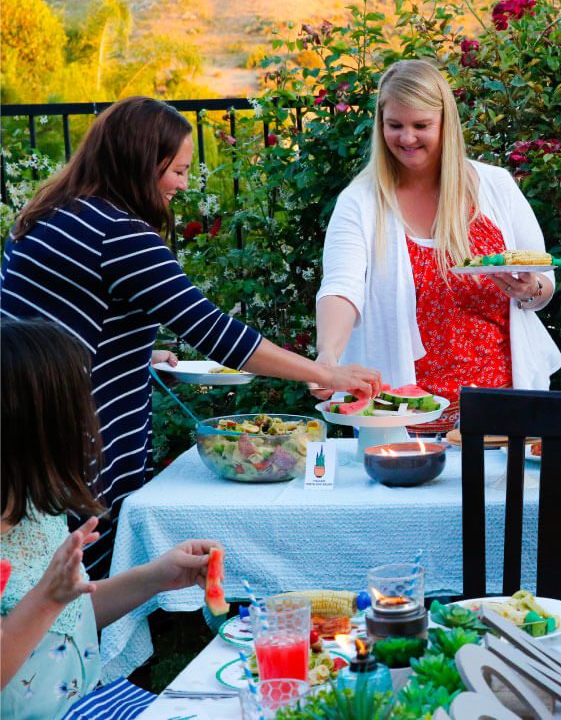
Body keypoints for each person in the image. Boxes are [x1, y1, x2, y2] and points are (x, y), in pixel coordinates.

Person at [0, 97, 383, 578]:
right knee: (77, 581)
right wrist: (326, 371)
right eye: (177, 171)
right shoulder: (119, 233)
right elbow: (216, 333)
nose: (182, 185)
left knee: (30, 576)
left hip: (24, 423)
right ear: (142, 162)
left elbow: (60, 324)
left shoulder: (48, 215)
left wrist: (135, 350)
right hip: (75, 432)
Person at [314, 59, 561, 426]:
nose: (407, 138)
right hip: (401, 416)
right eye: (394, 125)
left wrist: (530, 288)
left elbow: (543, 281)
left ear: (445, 124)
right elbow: (341, 288)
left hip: (505, 411)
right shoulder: (361, 201)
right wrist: (328, 356)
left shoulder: (495, 186)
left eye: (421, 125)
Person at [1, 319, 223, 720]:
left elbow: (70, 612)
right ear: (38, 426)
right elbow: (46, 605)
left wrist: (156, 577)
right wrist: (45, 599)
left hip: (88, 705)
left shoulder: (39, 509)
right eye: (81, 401)